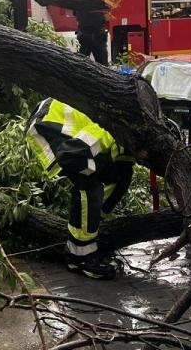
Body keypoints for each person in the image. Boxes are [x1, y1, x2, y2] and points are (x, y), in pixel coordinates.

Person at [26, 98, 133, 280]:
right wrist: (92, 174)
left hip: (71, 131)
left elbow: (122, 170)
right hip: (49, 127)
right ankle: (81, 255)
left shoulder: (124, 137)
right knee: (89, 186)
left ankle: (90, 227)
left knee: (121, 174)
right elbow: (71, 155)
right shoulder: (108, 132)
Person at [74, 0, 109, 64]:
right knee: (103, 65)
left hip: (83, 34)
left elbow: (76, 16)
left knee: (81, 65)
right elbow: (107, 17)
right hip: (98, 35)